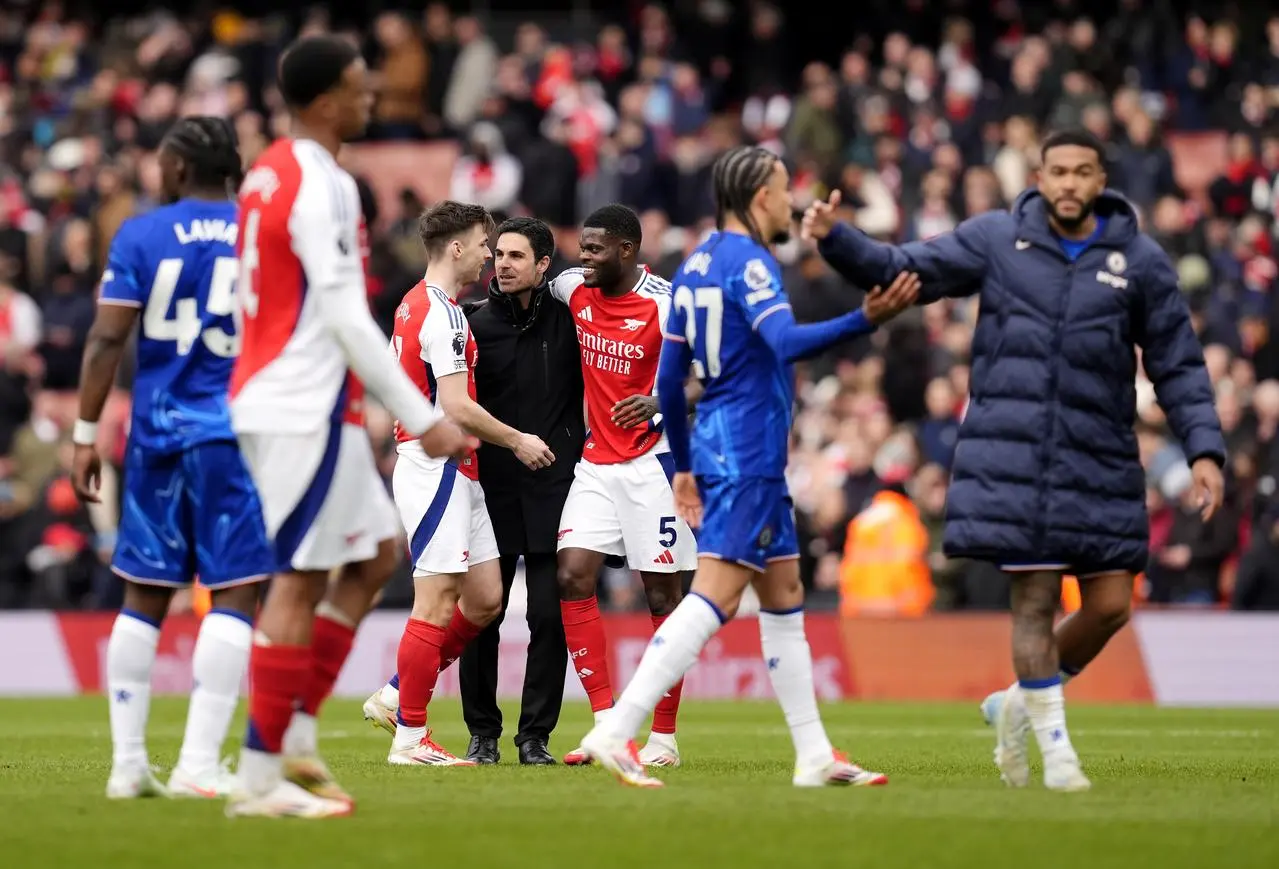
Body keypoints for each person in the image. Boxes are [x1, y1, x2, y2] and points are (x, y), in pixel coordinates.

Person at [803, 128, 1226, 792]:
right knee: (1031, 598)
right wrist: (835, 238)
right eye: (1056, 171)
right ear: (1038, 175)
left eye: (1081, 172)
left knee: (1111, 604)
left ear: (1099, 180)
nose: (1067, 184)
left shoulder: (1138, 259)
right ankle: (1055, 753)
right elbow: (902, 267)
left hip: (1100, 455)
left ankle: (1015, 702)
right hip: (1015, 454)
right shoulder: (997, 238)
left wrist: (1203, 447)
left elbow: (1176, 361)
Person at [577, 145, 915, 788]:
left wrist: (678, 464)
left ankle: (814, 755)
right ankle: (616, 729)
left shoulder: (694, 263)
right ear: (761, 197)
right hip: (748, 447)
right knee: (716, 594)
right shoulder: (752, 264)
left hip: (720, 445)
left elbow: (671, 377)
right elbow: (785, 343)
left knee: (784, 595)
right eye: (785, 191)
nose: (789, 202)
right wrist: (866, 317)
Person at [227, 36, 473, 819]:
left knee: (370, 558)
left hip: (301, 400)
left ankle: (294, 737)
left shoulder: (267, 170)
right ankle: (258, 777)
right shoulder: (321, 178)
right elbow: (338, 310)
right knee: (298, 580)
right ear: (328, 99)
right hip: (295, 402)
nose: (373, 98)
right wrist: (421, 412)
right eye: (361, 87)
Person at [71, 117, 272, 801]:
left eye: (161, 162)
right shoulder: (260, 232)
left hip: (155, 435)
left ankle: (128, 764)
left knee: (143, 596)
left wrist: (83, 431)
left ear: (180, 168)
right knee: (237, 591)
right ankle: (196, 763)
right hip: (235, 439)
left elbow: (105, 339)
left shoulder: (141, 232)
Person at [364, 217, 581, 766]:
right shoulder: (445, 315)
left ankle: (395, 693)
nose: (490, 258)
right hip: (434, 466)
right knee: (435, 602)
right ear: (457, 247)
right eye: (486, 246)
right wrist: (518, 440)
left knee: (484, 601)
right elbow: (457, 406)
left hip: (460, 471)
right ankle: (411, 736)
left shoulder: (416, 302)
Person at [547, 204, 699, 768]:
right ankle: (606, 724)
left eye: (595, 250)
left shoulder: (666, 302)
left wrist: (662, 401)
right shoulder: (573, 289)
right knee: (572, 573)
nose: (583, 260)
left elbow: (711, 376)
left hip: (655, 464)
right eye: (582, 249)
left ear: (627, 250)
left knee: (662, 594)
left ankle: (663, 739)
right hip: (596, 462)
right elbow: (542, 278)